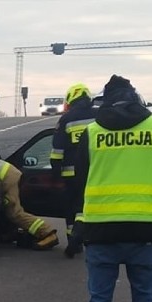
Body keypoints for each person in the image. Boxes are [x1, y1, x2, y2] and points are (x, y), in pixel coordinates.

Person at [72, 74, 152, 302]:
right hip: (148, 231)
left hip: (101, 231)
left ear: (104, 100)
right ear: (136, 97)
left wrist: (77, 224)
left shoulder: (92, 133)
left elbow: (78, 182)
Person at [50, 82, 98, 258]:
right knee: (90, 206)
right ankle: (91, 238)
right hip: (96, 172)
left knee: (72, 208)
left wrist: (55, 173)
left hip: (70, 174)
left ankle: (73, 240)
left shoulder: (66, 119)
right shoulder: (99, 115)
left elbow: (57, 151)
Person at [0, 159, 59, 250]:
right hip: (8, 174)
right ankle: (9, 233)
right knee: (5, 208)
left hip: (8, 178)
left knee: (14, 212)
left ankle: (47, 232)